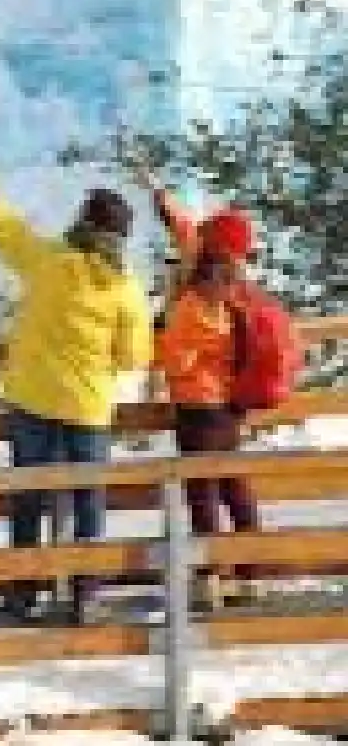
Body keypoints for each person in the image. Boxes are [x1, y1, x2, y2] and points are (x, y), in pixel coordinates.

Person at [0, 135, 152, 623]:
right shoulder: (127, 290)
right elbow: (136, 354)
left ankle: (23, 590)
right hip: (88, 407)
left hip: (31, 399)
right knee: (87, 501)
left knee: (28, 497)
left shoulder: (46, 261)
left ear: (83, 223)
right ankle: (84, 593)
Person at [140, 171, 264, 609]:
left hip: (198, 407)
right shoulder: (241, 292)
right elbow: (183, 226)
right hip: (232, 408)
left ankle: (210, 576)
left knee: (202, 493)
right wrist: (161, 195)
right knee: (235, 486)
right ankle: (250, 574)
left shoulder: (195, 303)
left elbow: (173, 359)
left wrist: (158, 333)